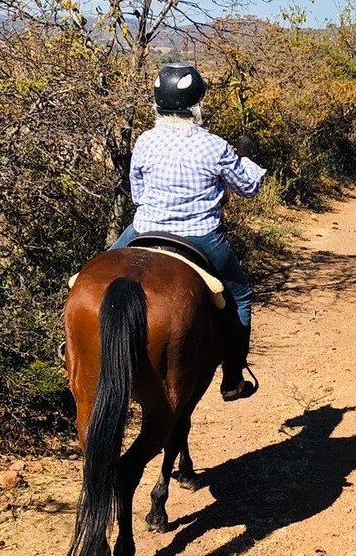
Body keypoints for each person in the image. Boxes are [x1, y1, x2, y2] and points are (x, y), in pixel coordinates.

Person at [110, 62, 266, 402]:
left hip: (144, 229)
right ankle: (233, 376)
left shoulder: (145, 141)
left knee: (94, 274)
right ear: (197, 105)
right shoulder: (214, 146)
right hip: (201, 237)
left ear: (156, 104)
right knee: (240, 295)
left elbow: (138, 194)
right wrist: (245, 157)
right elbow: (250, 186)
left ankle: (69, 345)